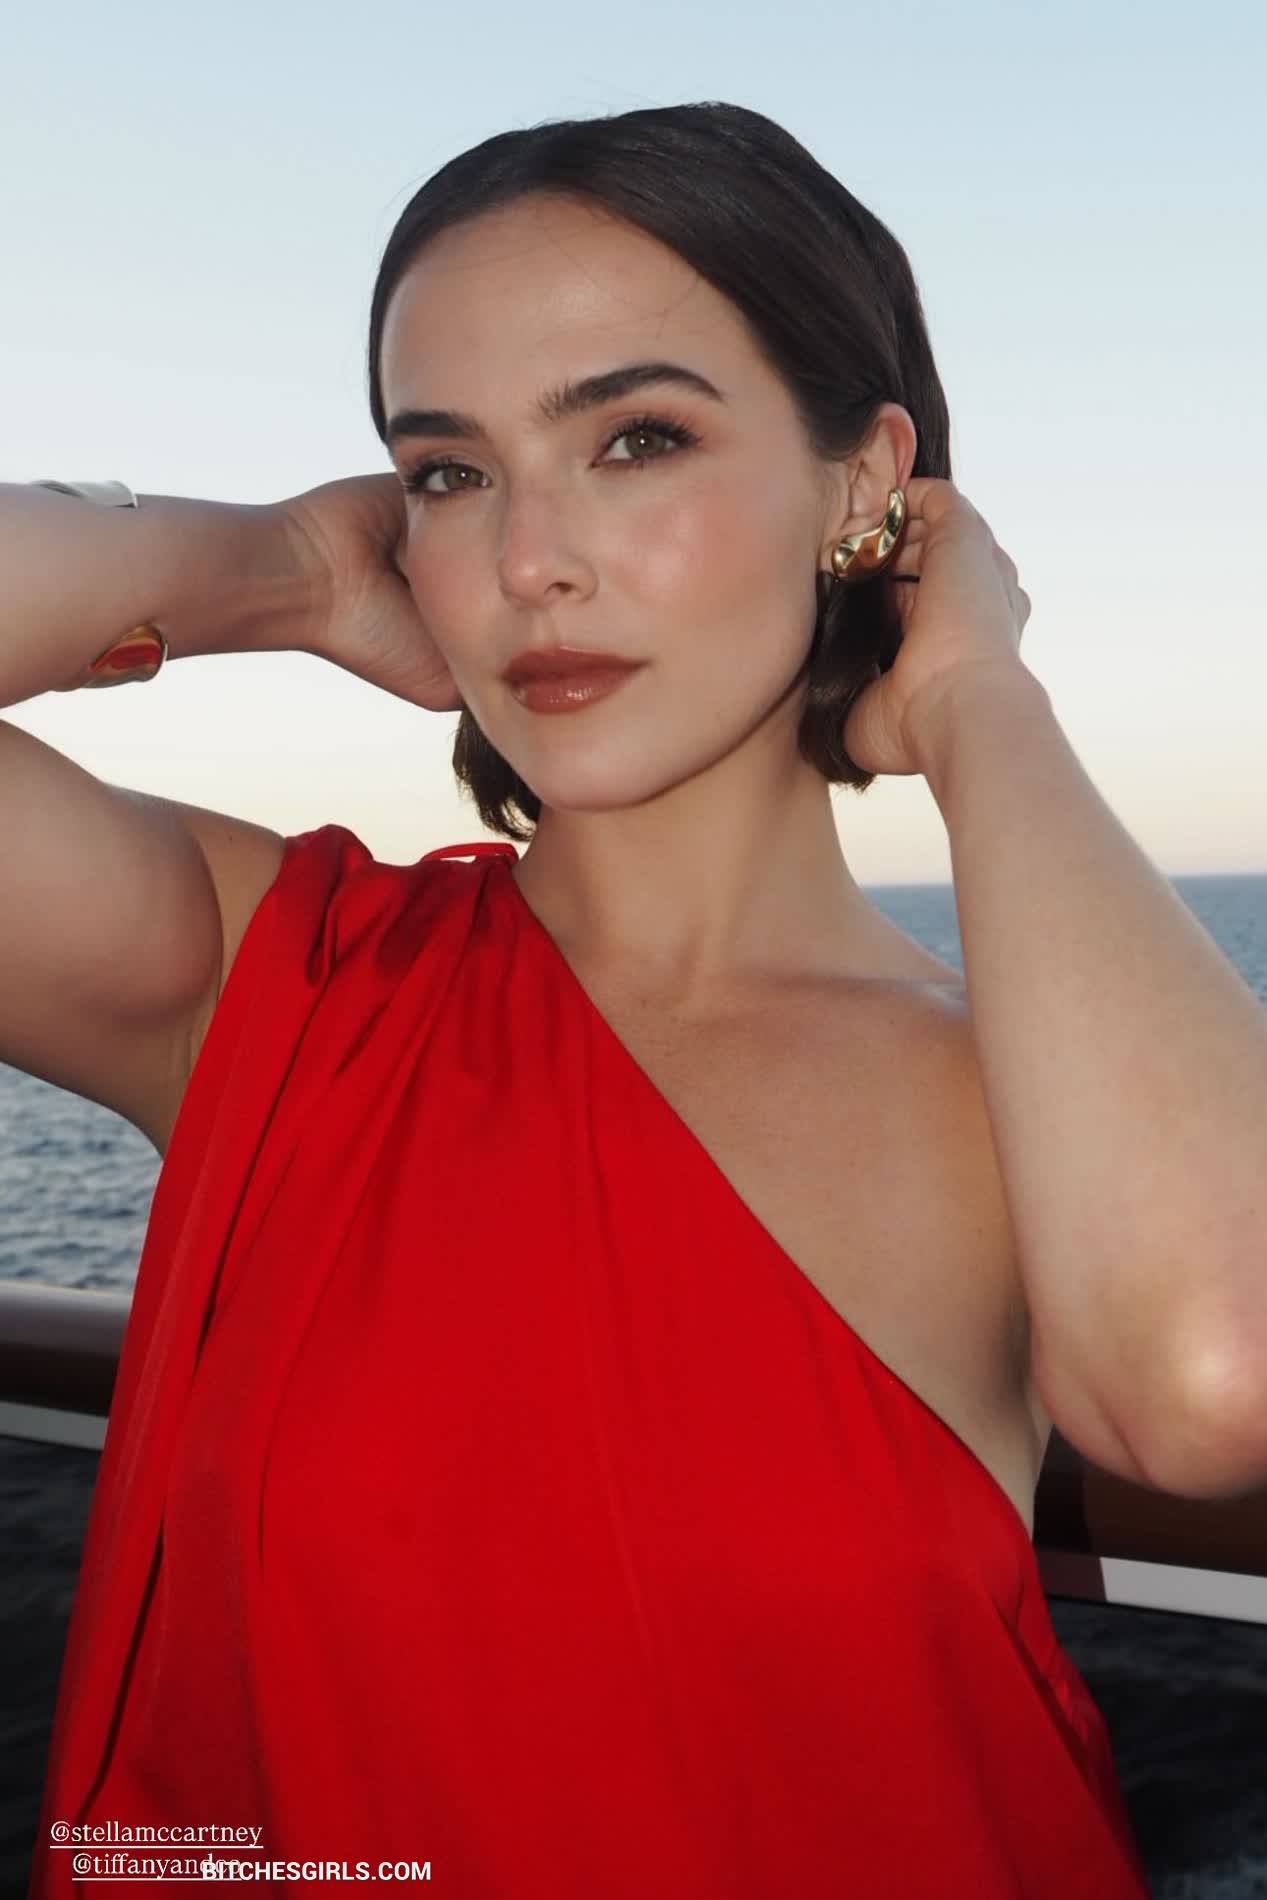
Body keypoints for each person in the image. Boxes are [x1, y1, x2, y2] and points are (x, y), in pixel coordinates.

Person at [10, 100, 1267, 1899]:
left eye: (636, 438)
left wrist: (980, 697)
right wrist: (283, 570)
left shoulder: (1019, 1089)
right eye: (450, 473)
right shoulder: (269, 981)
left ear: (863, 484)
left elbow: (1214, 1379)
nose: (530, 559)